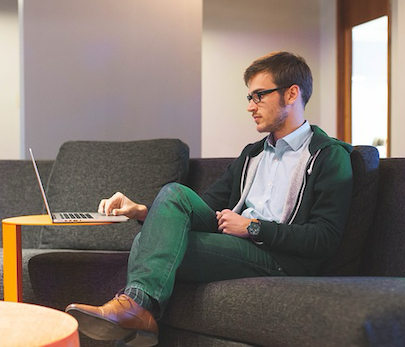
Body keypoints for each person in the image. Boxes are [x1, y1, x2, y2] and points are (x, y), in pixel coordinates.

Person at [65, 51, 352, 346]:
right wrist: (141, 211)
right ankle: (137, 312)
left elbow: (325, 238)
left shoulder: (328, 155)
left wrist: (252, 227)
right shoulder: (253, 154)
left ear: (292, 94)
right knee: (174, 194)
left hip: (282, 259)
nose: (250, 107)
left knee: (148, 245)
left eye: (259, 96)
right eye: (249, 98)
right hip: (239, 243)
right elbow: (201, 205)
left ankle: (136, 312)